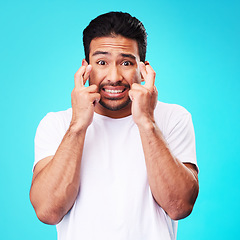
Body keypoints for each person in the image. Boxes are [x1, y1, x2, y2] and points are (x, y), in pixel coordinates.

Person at [30, 11, 199, 240]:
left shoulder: (174, 118)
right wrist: (79, 125)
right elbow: (48, 211)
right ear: (85, 67)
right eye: (101, 62)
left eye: (126, 62)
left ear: (143, 69)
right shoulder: (57, 124)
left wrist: (147, 122)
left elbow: (179, 206)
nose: (114, 76)